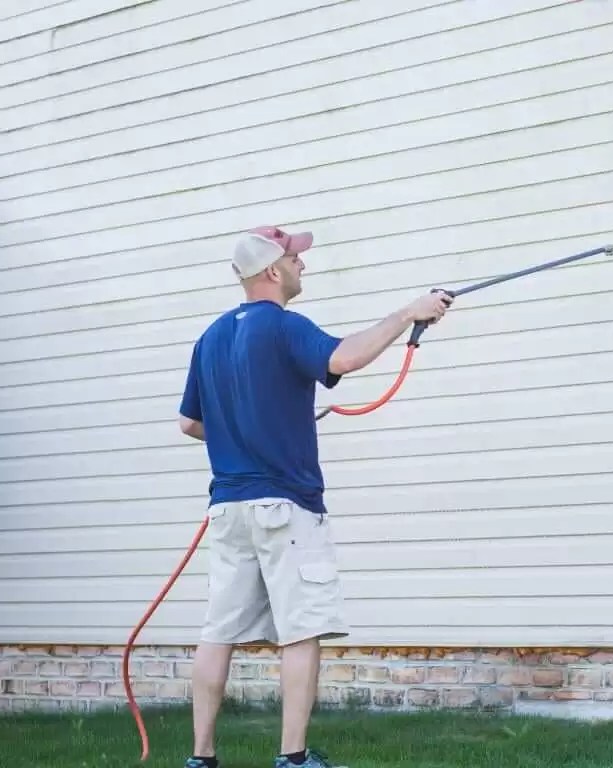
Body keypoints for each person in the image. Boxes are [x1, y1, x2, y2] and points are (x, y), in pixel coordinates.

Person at [176, 225, 453, 768]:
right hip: (285, 507)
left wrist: (268, 421)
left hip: (228, 510)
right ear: (273, 272)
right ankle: (293, 759)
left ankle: (201, 759)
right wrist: (407, 314)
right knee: (301, 631)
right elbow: (343, 359)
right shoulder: (283, 326)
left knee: (218, 634)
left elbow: (190, 424)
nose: (304, 266)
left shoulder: (209, 337)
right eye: (296, 259)